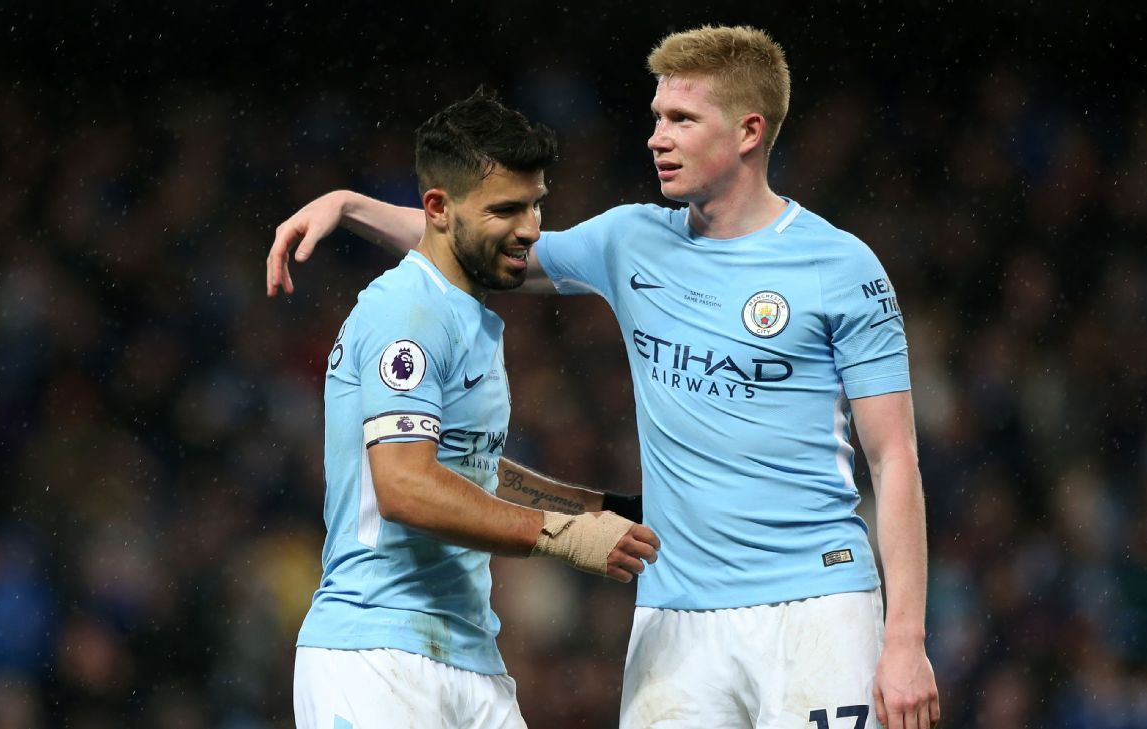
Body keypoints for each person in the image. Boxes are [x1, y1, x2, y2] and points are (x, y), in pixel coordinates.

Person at [268, 26, 941, 729]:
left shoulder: (841, 267)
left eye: (681, 119)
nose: (657, 138)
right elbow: (477, 237)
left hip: (816, 600)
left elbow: (894, 458)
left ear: (749, 130)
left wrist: (905, 639)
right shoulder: (631, 239)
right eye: (657, 117)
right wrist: (350, 206)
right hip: (674, 615)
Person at [273, 91, 660, 729]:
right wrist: (564, 536)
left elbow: (466, 470)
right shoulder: (408, 313)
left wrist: (602, 508)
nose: (530, 228)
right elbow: (405, 486)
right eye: (506, 209)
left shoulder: (464, 314)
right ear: (438, 209)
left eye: (535, 204)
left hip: (465, 652)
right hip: (378, 652)